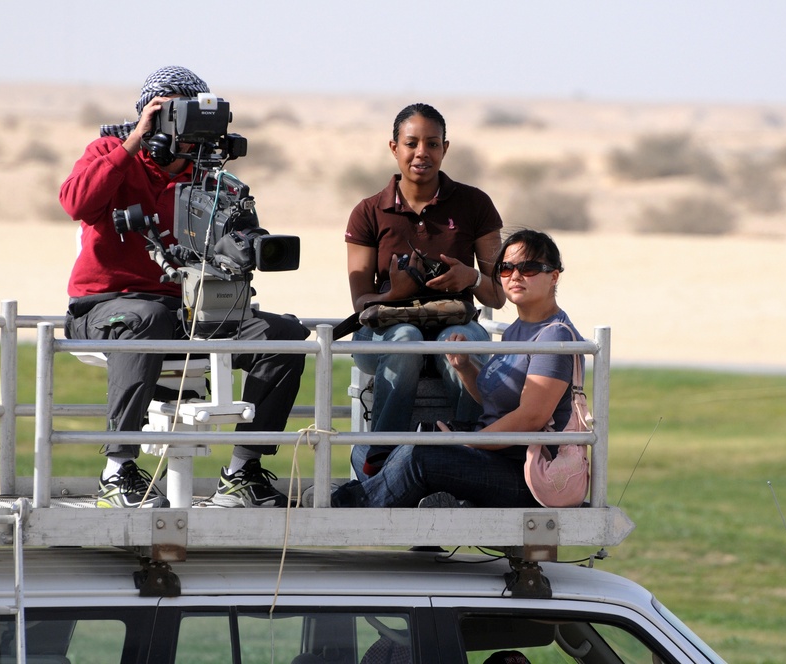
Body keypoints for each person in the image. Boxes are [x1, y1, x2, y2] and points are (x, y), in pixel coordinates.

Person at [60, 66, 310, 509]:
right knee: (147, 318)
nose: (186, 131)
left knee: (285, 340)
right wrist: (133, 141)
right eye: (172, 114)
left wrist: (243, 248)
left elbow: (236, 242)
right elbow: (76, 202)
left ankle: (242, 474)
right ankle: (116, 472)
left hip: (186, 313)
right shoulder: (109, 151)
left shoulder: (208, 178)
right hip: (102, 309)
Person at [331, 229, 582, 508]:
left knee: (420, 455)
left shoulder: (553, 336)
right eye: (506, 268)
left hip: (526, 473)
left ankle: (347, 505)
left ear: (554, 276)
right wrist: (464, 368)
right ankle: (378, 493)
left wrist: (466, 442)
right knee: (368, 449)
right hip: (495, 457)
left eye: (530, 268)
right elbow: (495, 400)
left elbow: (531, 418)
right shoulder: (516, 331)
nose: (516, 276)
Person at [344, 103, 506, 479]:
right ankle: (380, 459)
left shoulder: (475, 204)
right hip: (385, 330)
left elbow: (497, 295)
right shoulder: (368, 212)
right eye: (412, 143)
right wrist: (394, 293)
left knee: (462, 341)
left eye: (432, 144)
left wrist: (471, 279)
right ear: (393, 148)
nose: (422, 153)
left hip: (455, 323)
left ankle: (469, 452)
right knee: (407, 339)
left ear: (445, 149)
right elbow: (360, 301)